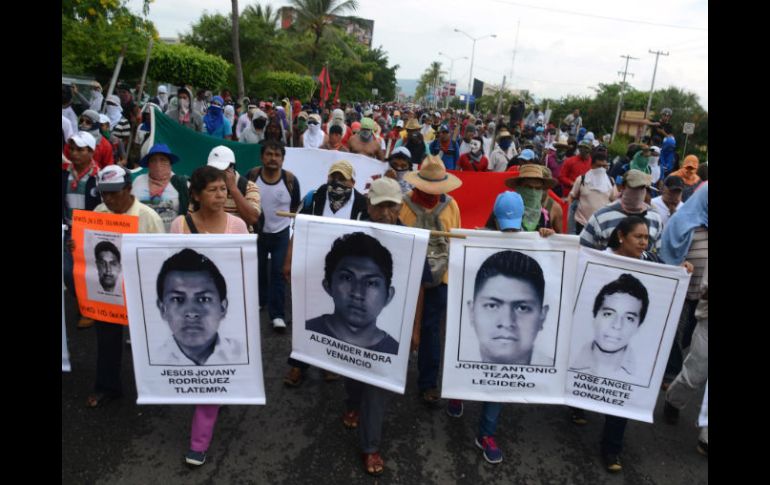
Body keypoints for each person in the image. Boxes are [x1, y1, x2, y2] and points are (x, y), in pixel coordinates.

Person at [570, 215, 692, 472]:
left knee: (621, 393)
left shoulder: (653, 263)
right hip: (588, 346)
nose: (644, 242)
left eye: (647, 237)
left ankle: (611, 449)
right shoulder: (600, 258)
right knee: (587, 376)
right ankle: (577, 404)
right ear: (621, 236)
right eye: (639, 237)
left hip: (626, 360)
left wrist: (683, 271)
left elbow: (667, 286)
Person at [166, 167, 249, 467]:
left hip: (224, 313)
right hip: (188, 315)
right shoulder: (179, 225)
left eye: (223, 189)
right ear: (196, 195)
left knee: (210, 377)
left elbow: (245, 268)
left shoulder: (238, 225)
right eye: (213, 189)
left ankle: (198, 442)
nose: (220, 194)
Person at [84, 165, 164, 409]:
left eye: (113, 192)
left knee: (147, 340)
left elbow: (161, 257)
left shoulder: (148, 217)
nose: (108, 199)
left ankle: (156, 388)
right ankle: (107, 386)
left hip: (140, 290)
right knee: (107, 338)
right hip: (110, 291)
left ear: (128, 189)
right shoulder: (99, 211)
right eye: (104, 193)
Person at [283, 161, 368, 386]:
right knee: (306, 315)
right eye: (334, 177)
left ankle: (329, 363)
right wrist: (289, 259)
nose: (337, 183)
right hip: (312, 266)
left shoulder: (362, 203)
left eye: (343, 178)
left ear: (353, 182)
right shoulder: (315, 196)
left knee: (337, 316)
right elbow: (298, 227)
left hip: (345, 273)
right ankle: (298, 364)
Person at [400, 155, 462, 406]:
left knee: (431, 328)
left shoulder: (452, 206)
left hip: (441, 275)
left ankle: (427, 382)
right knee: (400, 324)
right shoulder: (402, 205)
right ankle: (389, 372)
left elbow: (455, 241)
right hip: (408, 275)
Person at [306, 232, 399, 354]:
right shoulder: (307, 331)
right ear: (328, 285)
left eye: (371, 283)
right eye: (347, 278)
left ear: (388, 296)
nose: (357, 294)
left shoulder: (394, 352)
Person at [154, 248, 245, 366]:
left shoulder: (243, 354)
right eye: (177, 299)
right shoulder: (154, 360)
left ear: (222, 307)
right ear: (162, 309)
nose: (191, 313)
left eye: (203, 299)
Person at [245, 140, 301, 331]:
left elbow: (294, 208)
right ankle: (260, 301)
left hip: (281, 234)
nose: (273, 159)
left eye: (277, 155)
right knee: (257, 269)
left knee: (278, 272)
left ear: (283, 159)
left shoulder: (291, 180)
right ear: (262, 157)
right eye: (269, 154)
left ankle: (277, 315)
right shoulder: (251, 176)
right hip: (256, 233)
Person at [467, 250, 551, 365]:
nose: (506, 322)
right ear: (471, 312)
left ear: (543, 316)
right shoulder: (453, 373)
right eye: (492, 306)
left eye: (522, 308)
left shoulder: (563, 378)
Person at [579, 170, 663, 252]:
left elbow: (659, 251)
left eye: (642, 188)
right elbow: (584, 247)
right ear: (622, 187)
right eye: (634, 187)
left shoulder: (655, 217)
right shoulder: (602, 216)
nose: (638, 192)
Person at [132, 144, 190, 232]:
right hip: (142, 238)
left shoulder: (181, 183)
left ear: (170, 163)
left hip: (171, 239)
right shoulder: (138, 181)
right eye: (153, 160)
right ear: (148, 164)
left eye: (163, 160)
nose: (158, 164)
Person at [204, 146, 261, 230]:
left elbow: (252, 219)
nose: (215, 173)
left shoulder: (249, 187)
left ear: (232, 168)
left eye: (220, 169)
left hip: (239, 241)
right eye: (212, 169)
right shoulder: (203, 185)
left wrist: (233, 188)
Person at [568, 151, 617, 234]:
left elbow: (614, 200)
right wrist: (569, 215)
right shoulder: (582, 179)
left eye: (604, 166)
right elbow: (571, 196)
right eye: (598, 166)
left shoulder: (610, 181)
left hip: (601, 225)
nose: (601, 169)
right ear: (592, 165)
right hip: (582, 224)